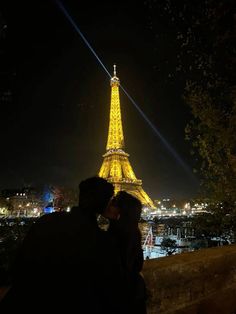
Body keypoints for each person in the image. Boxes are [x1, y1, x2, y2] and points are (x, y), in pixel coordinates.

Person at [0, 176, 126, 313]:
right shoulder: (101, 241)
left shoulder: (46, 221)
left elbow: (19, 266)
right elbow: (112, 289)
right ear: (106, 205)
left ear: (81, 196)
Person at [103, 191, 147, 314]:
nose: (109, 204)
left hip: (122, 299)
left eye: (114, 202)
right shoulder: (132, 232)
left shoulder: (117, 236)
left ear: (121, 211)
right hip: (133, 296)